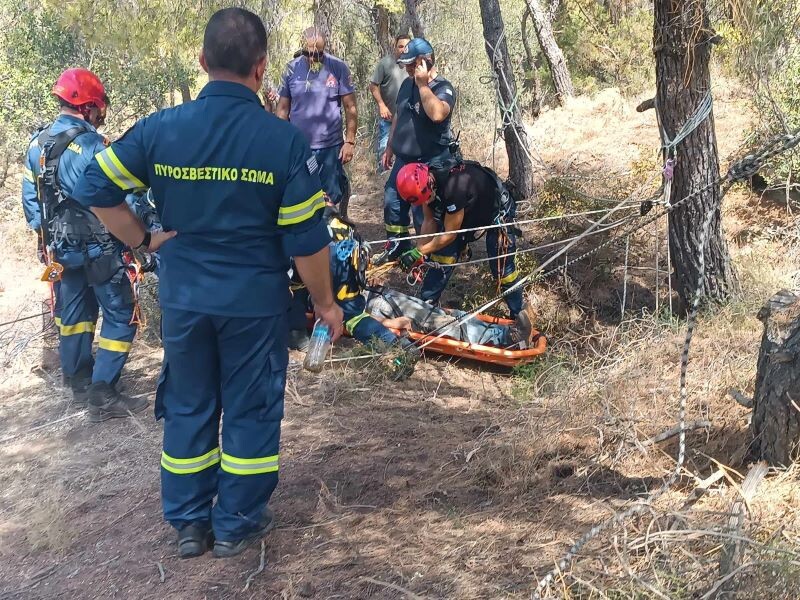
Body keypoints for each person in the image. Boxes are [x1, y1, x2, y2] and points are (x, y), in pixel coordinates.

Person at [73, 8, 343, 560]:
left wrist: (143, 240)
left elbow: (93, 183)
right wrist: (326, 303)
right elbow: (307, 241)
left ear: (201, 61)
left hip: (186, 300)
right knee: (250, 407)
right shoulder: (283, 142)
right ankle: (236, 522)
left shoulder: (160, 130)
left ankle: (190, 524)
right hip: (254, 303)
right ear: (263, 68)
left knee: (190, 404)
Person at [21, 68, 147, 421]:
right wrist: (143, 233)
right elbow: (119, 197)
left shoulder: (37, 143)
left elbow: (30, 198)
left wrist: (42, 237)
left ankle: (78, 381)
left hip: (60, 249)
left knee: (74, 315)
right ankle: (103, 391)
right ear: (90, 105)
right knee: (121, 314)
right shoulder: (93, 146)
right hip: (100, 249)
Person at [286, 206, 420, 379]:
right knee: (352, 313)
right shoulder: (334, 218)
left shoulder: (296, 220)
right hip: (347, 256)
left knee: (346, 315)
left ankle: (396, 352)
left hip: (326, 256)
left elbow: (295, 265)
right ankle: (398, 345)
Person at [395, 161, 525, 317]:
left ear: (429, 183)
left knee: (503, 270)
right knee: (441, 258)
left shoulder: (453, 188)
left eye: (426, 197)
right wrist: (419, 253)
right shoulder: (425, 183)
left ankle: (519, 314)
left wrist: (419, 251)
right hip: (464, 213)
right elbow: (429, 221)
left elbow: (450, 234)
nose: (426, 202)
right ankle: (425, 307)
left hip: (496, 212)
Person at [379, 37, 457, 256]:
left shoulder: (443, 87)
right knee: (392, 201)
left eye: (413, 64)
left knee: (425, 213)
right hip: (403, 161)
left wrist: (423, 85)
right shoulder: (406, 85)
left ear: (426, 61)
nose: (410, 69)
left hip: (428, 164)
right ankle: (397, 246)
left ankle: (426, 254)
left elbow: (438, 114)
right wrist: (390, 147)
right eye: (408, 65)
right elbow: (398, 115)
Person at [277, 27, 357, 214]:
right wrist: (283, 143)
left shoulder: (338, 67)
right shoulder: (291, 69)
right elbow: (282, 109)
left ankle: (333, 236)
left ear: (325, 49)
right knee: (302, 197)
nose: (313, 58)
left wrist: (350, 141)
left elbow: (350, 107)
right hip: (300, 149)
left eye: (318, 54)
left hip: (330, 148)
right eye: (309, 53)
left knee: (331, 199)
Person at [365, 287, 538, 349]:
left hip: (383, 297)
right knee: (449, 326)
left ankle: (508, 333)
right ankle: (510, 339)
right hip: (382, 309)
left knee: (455, 316)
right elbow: (350, 317)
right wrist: (389, 324)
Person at [369, 34, 410, 172]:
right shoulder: (385, 64)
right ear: (395, 47)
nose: (403, 49)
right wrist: (381, 105)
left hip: (408, 121)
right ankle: (383, 186)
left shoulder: (413, 65)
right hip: (388, 119)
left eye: (406, 47)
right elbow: (373, 85)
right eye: (400, 46)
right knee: (384, 153)